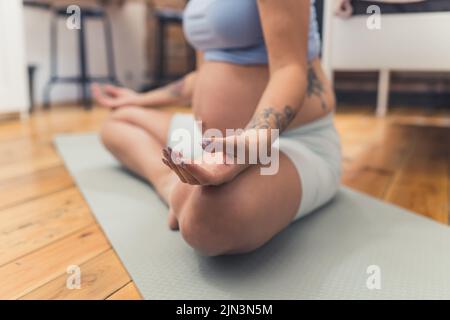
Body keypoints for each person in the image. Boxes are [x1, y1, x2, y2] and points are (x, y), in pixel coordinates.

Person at [93, 0, 341, 256]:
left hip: (286, 141)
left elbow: (290, 69)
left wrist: (253, 143)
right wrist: (139, 99)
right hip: (213, 142)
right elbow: (205, 74)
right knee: (119, 121)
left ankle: (189, 194)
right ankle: (168, 183)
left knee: (207, 224)